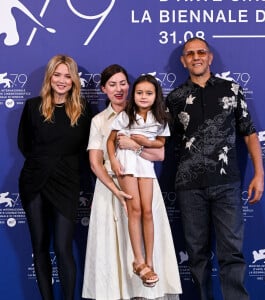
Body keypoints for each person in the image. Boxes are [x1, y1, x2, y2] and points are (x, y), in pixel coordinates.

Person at [166, 37, 264, 300]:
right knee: (196, 254)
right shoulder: (174, 98)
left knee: (231, 252)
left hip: (226, 184)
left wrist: (259, 174)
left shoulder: (231, 89)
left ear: (209, 57)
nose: (196, 57)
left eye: (201, 52)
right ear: (183, 60)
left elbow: (249, 133)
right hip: (188, 187)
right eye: (190, 53)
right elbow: (160, 139)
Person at [82, 65, 182, 299]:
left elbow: (159, 154)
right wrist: (115, 189)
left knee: (145, 221)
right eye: (112, 84)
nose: (119, 89)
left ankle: (146, 270)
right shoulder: (99, 120)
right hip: (111, 189)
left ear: (130, 85)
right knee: (111, 249)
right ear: (104, 89)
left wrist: (134, 146)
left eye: (122, 83)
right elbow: (96, 163)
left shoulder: (150, 116)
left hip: (144, 178)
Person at [17, 55, 91, 300]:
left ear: (74, 80)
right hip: (34, 182)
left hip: (67, 183)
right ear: (49, 77)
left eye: (67, 75)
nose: (62, 80)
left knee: (62, 247)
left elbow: (87, 149)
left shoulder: (84, 110)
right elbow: (24, 144)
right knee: (39, 247)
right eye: (57, 75)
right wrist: (44, 163)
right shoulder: (32, 107)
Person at [107, 74, 170, 287]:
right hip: (126, 164)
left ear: (156, 96)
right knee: (134, 210)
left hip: (145, 166)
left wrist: (143, 142)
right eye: (139, 93)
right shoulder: (126, 115)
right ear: (133, 95)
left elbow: (161, 144)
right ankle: (138, 260)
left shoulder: (160, 118)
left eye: (149, 93)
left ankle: (150, 261)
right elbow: (110, 140)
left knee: (148, 211)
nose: (143, 97)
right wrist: (114, 162)